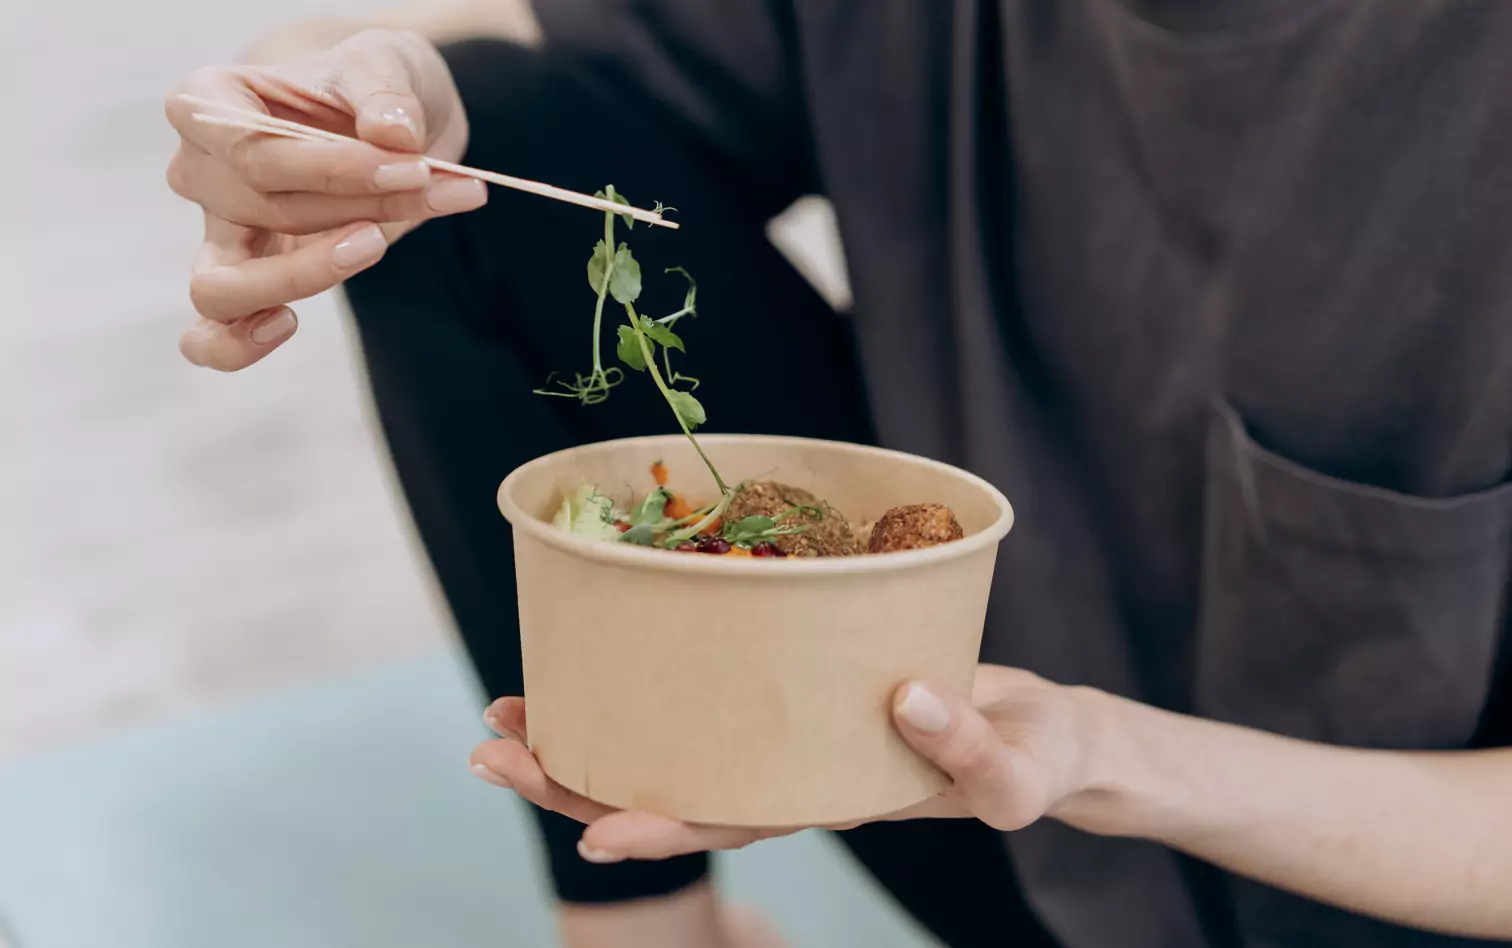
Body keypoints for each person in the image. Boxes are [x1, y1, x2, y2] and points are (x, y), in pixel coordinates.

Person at [163, 2, 1512, 946]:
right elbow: (456, 49)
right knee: (475, 162)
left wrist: (1107, 756)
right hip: (931, 764)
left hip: (1378, 884)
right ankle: (646, 937)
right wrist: (323, 108)